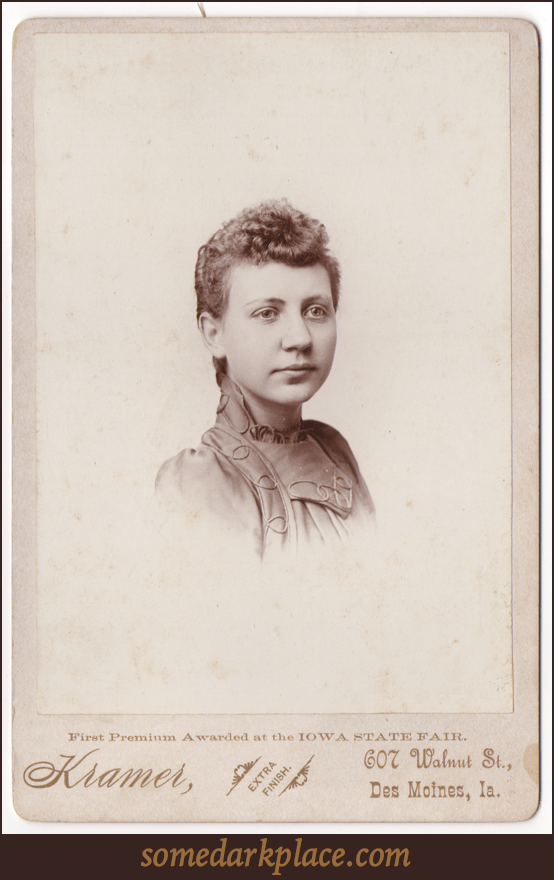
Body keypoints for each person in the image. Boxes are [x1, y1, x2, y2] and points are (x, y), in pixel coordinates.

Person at [155, 200, 375, 560]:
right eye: (267, 313)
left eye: (316, 311)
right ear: (214, 334)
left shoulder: (334, 451)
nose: (300, 339)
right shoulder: (203, 479)